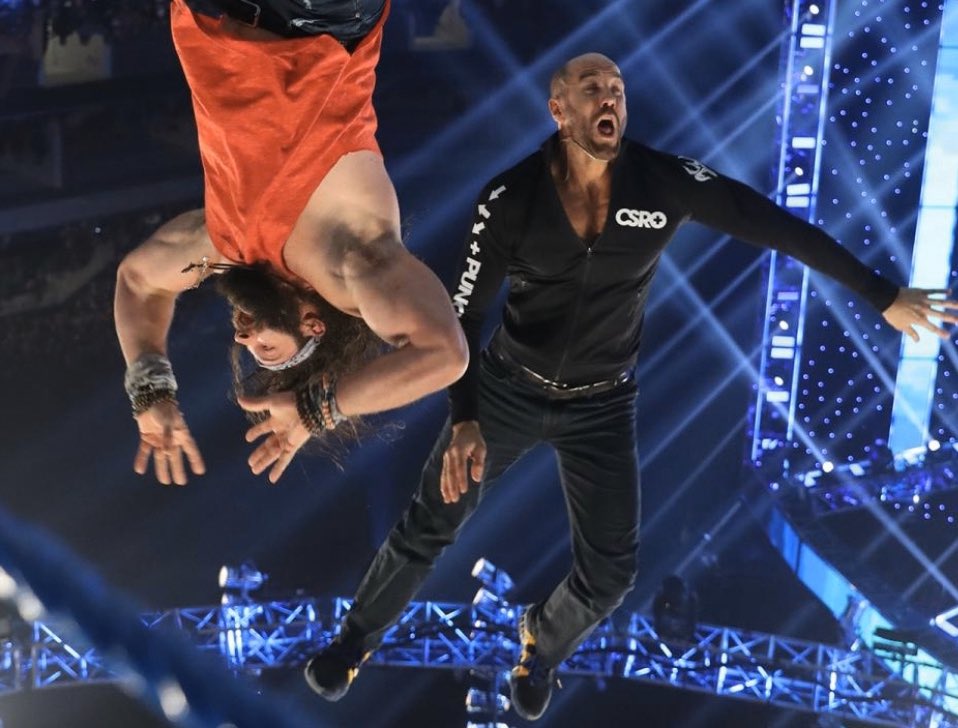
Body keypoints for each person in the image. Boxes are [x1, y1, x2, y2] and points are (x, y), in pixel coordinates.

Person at [302, 52, 957, 720]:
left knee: (611, 575)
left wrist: (882, 294)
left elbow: (772, 223)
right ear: (560, 111)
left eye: (616, 88)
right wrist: (466, 416)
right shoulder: (510, 198)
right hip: (506, 390)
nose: (609, 98)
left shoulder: (662, 181)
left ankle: (541, 645)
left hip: (602, 405)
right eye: (592, 88)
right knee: (431, 521)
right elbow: (461, 317)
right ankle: (353, 641)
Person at [113, 0, 467, 487]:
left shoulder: (226, 247)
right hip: (315, 17)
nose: (243, 338)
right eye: (267, 347)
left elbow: (139, 282)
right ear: (311, 324)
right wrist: (320, 408)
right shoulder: (348, 263)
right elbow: (445, 355)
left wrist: (150, 391)